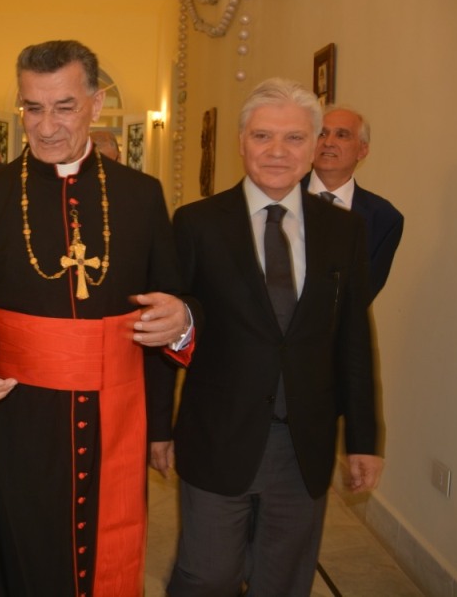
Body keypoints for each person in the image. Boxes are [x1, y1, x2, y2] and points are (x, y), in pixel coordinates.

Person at [0, 40, 194, 597]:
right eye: (33, 108)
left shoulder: (141, 197)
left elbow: (171, 308)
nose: (46, 127)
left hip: (114, 422)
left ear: (95, 105)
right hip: (12, 422)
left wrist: (182, 324)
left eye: (64, 107)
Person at [149, 78, 383, 596]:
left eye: (294, 138)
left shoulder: (343, 231)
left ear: (315, 144)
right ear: (242, 142)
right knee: (207, 575)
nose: (278, 151)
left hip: (303, 443)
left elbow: (353, 340)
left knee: (283, 581)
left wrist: (364, 440)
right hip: (218, 434)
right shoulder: (196, 224)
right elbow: (169, 329)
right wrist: (157, 426)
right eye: (262, 136)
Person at [305, 105, 403, 300]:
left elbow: (365, 292)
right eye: (322, 134)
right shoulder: (280, 195)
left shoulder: (384, 217)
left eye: (342, 135)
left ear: (362, 150)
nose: (328, 142)